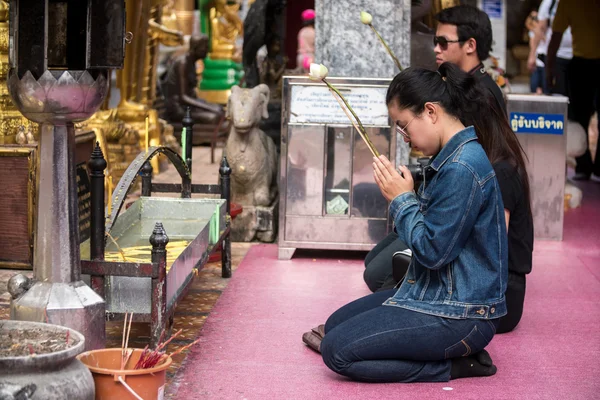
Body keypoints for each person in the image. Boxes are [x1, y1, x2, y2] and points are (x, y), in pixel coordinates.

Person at [307, 63, 508, 383]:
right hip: (433, 294)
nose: (404, 137)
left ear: (430, 111)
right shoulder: (450, 158)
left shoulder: (461, 167)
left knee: (337, 350)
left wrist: (402, 199)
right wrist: (406, 195)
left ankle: (455, 365)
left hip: (461, 315)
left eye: (404, 126)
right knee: (334, 325)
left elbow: (433, 252)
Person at [545, 0, 600, 181]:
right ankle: (588, 168)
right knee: (580, 117)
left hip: (581, 66)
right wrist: (550, 65)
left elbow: (556, 35)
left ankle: (585, 168)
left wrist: (549, 66)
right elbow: (556, 34)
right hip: (580, 65)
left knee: (580, 117)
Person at [433, 5, 506, 115]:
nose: (436, 49)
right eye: (436, 41)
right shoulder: (460, 85)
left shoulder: (481, 96)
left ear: (470, 45)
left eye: (443, 42)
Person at [527, 0, 572, 96]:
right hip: (557, 56)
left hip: (579, 56)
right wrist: (532, 55)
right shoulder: (549, 3)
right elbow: (542, 29)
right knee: (556, 95)